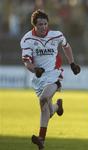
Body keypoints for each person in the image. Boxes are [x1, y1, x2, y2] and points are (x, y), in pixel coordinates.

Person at [20, 10, 80, 150]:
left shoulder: (56, 35)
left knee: (43, 99)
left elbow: (67, 46)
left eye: (45, 24)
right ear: (34, 25)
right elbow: (27, 62)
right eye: (40, 24)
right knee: (47, 109)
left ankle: (41, 138)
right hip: (39, 78)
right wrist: (35, 69)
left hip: (54, 73)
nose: (43, 27)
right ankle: (57, 107)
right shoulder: (27, 39)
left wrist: (72, 63)